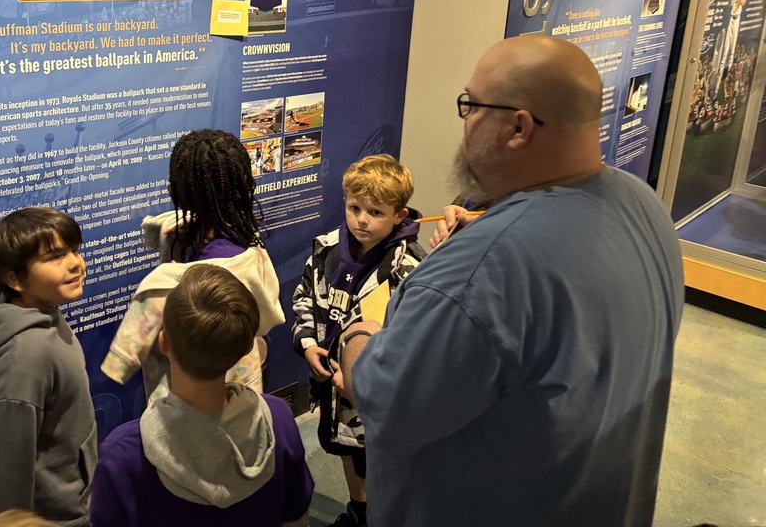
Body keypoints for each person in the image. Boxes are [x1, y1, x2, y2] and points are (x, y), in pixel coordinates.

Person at [341, 35, 685, 526]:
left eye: (472, 106)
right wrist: (491, 227)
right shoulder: (642, 204)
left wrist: (359, 337)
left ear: (519, 127)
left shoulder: (483, 271)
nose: (465, 122)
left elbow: (386, 401)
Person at [90, 264, 314, 527]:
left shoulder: (123, 456)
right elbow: (296, 517)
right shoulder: (279, 420)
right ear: (245, 349)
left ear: (163, 343)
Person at [291, 154, 425, 527]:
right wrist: (307, 344)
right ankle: (359, 510)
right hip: (333, 382)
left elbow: (412, 340)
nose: (362, 220)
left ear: (400, 215)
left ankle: (381, 514)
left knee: (380, 458)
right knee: (343, 446)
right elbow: (304, 296)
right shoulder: (327, 250)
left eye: (376, 212)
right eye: (354, 208)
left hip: (376, 392)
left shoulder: (408, 269)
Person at [102, 128, 285, 400]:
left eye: (174, 178)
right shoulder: (249, 244)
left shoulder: (163, 286)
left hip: (184, 397)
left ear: (181, 190)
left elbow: (121, 362)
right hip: (243, 385)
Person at [0, 207, 97, 527]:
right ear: (13, 278)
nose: (76, 263)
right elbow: (1, 488)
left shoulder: (46, 316)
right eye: (55, 257)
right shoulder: (23, 358)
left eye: (75, 250)